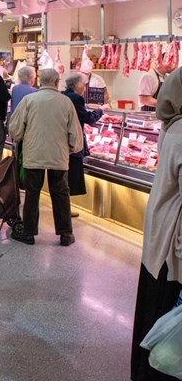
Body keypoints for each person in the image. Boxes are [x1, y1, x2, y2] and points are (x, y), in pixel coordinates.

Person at [131, 67, 182, 381]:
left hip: (158, 246)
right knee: (166, 327)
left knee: (153, 319)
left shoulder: (171, 127)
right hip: (172, 251)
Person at [9, 68, 83, 247]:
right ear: (57, 82)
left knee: (32, 194)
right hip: (59, 155)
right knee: (61, 194)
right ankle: (65, 234)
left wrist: (19, 138)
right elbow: (75, 132)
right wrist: (72, 148)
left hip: (34, 154)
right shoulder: (65, 102)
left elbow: (15, 129)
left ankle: (28, 233)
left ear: (40, 81)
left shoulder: (29, 100)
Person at [62, 73, 103, 197]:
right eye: (84, 85)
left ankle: (65, 206)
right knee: (71, 177)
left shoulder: (63, 95)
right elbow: (88, 118)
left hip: (63, 142)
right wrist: (100, 110)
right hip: (73, 142)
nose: (85, 88)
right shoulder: (76, 98)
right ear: (78, 85)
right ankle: (66, 208)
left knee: (64, 177)